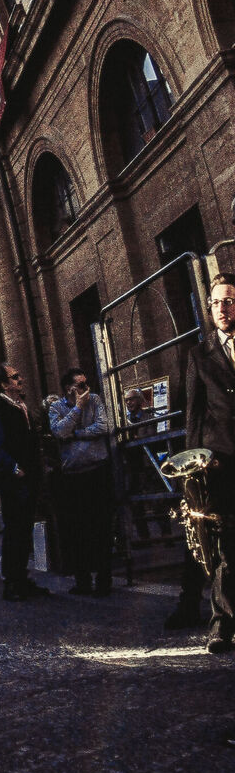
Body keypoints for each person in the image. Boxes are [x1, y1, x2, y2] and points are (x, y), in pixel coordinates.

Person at [174, 273, 235, 715]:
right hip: (221, 463)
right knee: (225, 544)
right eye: (216, 303)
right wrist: (193, 470)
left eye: (229, 300)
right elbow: (193, 417)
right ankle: (222, 624)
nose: (223, 308)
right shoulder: (199, 354)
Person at [0, 363, 48, 601]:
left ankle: (21, 578)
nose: (21, 379)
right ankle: (11, 583)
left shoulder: (21, 406)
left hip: (29, 478)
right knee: (14, 530)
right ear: (4, 384)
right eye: (15, 377)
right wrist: (14, 468)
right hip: (13, 482)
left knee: (24, 529)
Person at [49, 368, 116, 596]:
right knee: (78, 531)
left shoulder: (95, 400)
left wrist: (76, 434)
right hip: (73, 476)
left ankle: (104, 580)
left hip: (97, 471)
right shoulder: (56, 407)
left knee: (101, 528)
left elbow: (103, 426)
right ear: (69, 389)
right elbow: (59, 432)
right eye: (81, 385)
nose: (86, 388)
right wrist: (77, 408)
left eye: (86, 383)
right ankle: (83, 581)